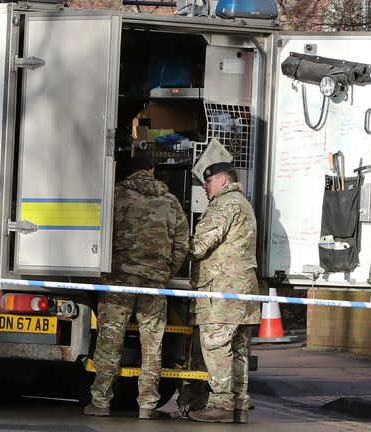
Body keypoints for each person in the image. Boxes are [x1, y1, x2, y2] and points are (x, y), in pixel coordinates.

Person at [84, 155, 190, 420]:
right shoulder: (171, 201)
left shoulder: (117, 196)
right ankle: (147, 405)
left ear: (127, 173)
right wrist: (165, 272)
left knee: (110, 343)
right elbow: (182, 244)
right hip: (154, 285)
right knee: (152, 346)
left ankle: (100, 402)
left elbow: (99, 234)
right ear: (152, 171)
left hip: (119, 281)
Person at [186, 161, 260, 424]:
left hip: (222, 293)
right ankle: (239, 404)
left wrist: (174, 240)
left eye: (208, 182)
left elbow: (199, 246)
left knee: (216, 346)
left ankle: (221, 404)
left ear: (223, 181)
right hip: (243, 293)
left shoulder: (224, 204)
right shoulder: (243, 204)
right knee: (238, 350)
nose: (204, 187)